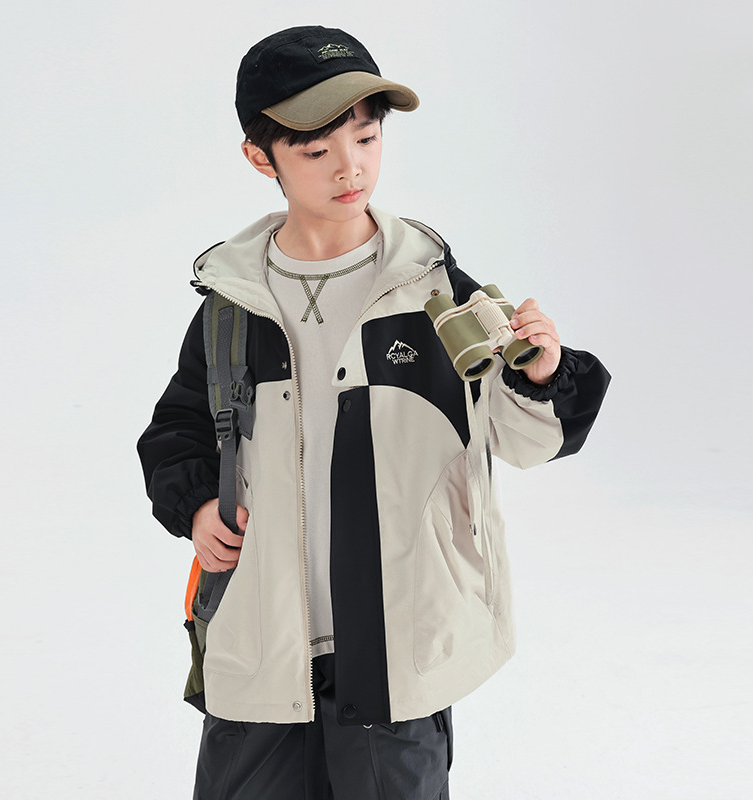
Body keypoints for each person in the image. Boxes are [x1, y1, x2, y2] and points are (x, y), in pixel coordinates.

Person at [137, 25, 610, 800]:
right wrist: (193, 506)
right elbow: (178, 427)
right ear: (260, 156)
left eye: (365, 137)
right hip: (263, 643)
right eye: (316, 149)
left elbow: (525, 438)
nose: (349, 165)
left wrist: (544, 374)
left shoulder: (433, 289)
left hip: (399, 644)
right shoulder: (233, 303)